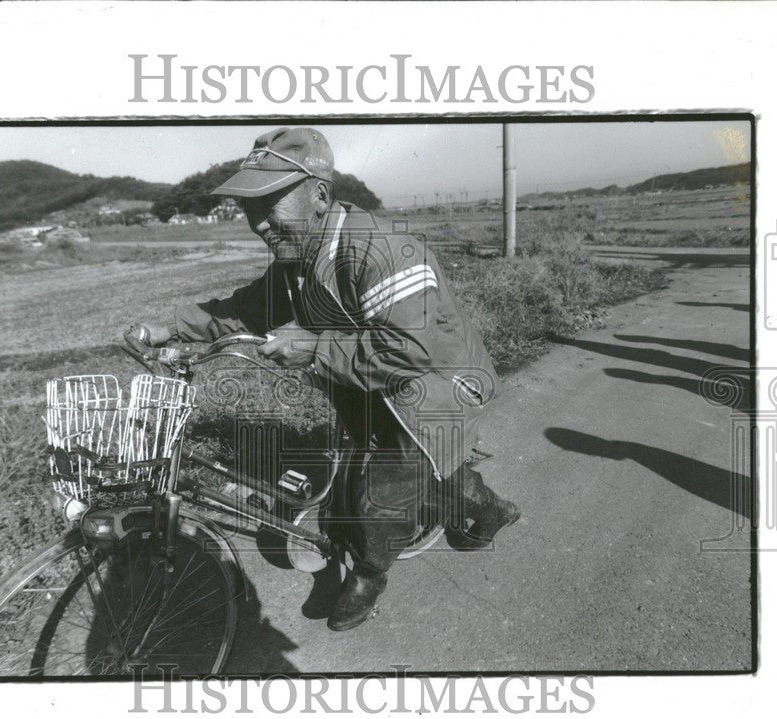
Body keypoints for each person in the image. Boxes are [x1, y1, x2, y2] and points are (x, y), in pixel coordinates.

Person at [131, 127, 520, 631]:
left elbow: (413, 350)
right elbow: (245, 309)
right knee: (399, 471)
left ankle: (370, 572)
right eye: (251, 209)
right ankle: (493, 509)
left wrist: (316, 346)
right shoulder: (300, 259)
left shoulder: (382, 251)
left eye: (270, 203)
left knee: (381, 490)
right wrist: (171, 328)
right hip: (376, 382)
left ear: (319, 195)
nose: (260, 224)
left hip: (440, 384)